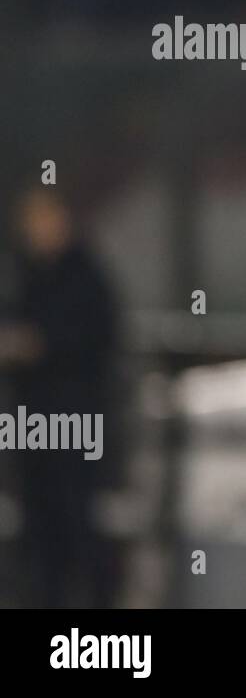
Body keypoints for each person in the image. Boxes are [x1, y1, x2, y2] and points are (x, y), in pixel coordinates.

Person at [0, 186, 122, 608]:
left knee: (77, 521)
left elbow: (99, 337)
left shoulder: (84, 275)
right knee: (37, 523)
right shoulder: (23, 275)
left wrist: (44, 345)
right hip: (31, 423)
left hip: (76, 419)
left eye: (47, 218)